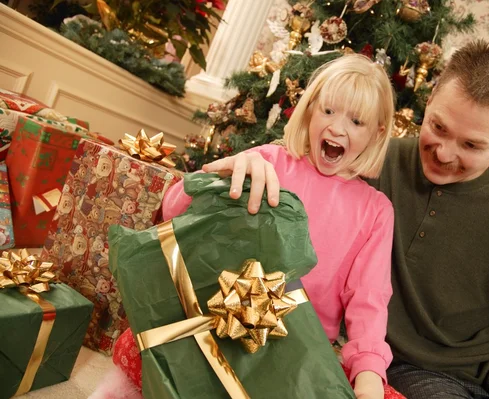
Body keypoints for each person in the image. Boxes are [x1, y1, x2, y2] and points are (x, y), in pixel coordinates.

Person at [210, 41, 489, 398]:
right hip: (418, 369)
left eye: (471, 145)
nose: (444, 154)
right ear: (429, 101)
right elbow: (307, 167)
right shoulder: (370, 164)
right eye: (438, 127)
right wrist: (249, 163)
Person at [97, 54, 402, 399]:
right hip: (223, 323)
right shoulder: (268, 161)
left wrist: (369, 373)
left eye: (357, 121)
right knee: (138, 349)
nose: (337, 128)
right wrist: (222, 173)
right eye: (328, 111)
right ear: (312, 107)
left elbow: (370, 300)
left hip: (298, 353)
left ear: (377, 133)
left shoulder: (376, 211)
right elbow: (174, 209)